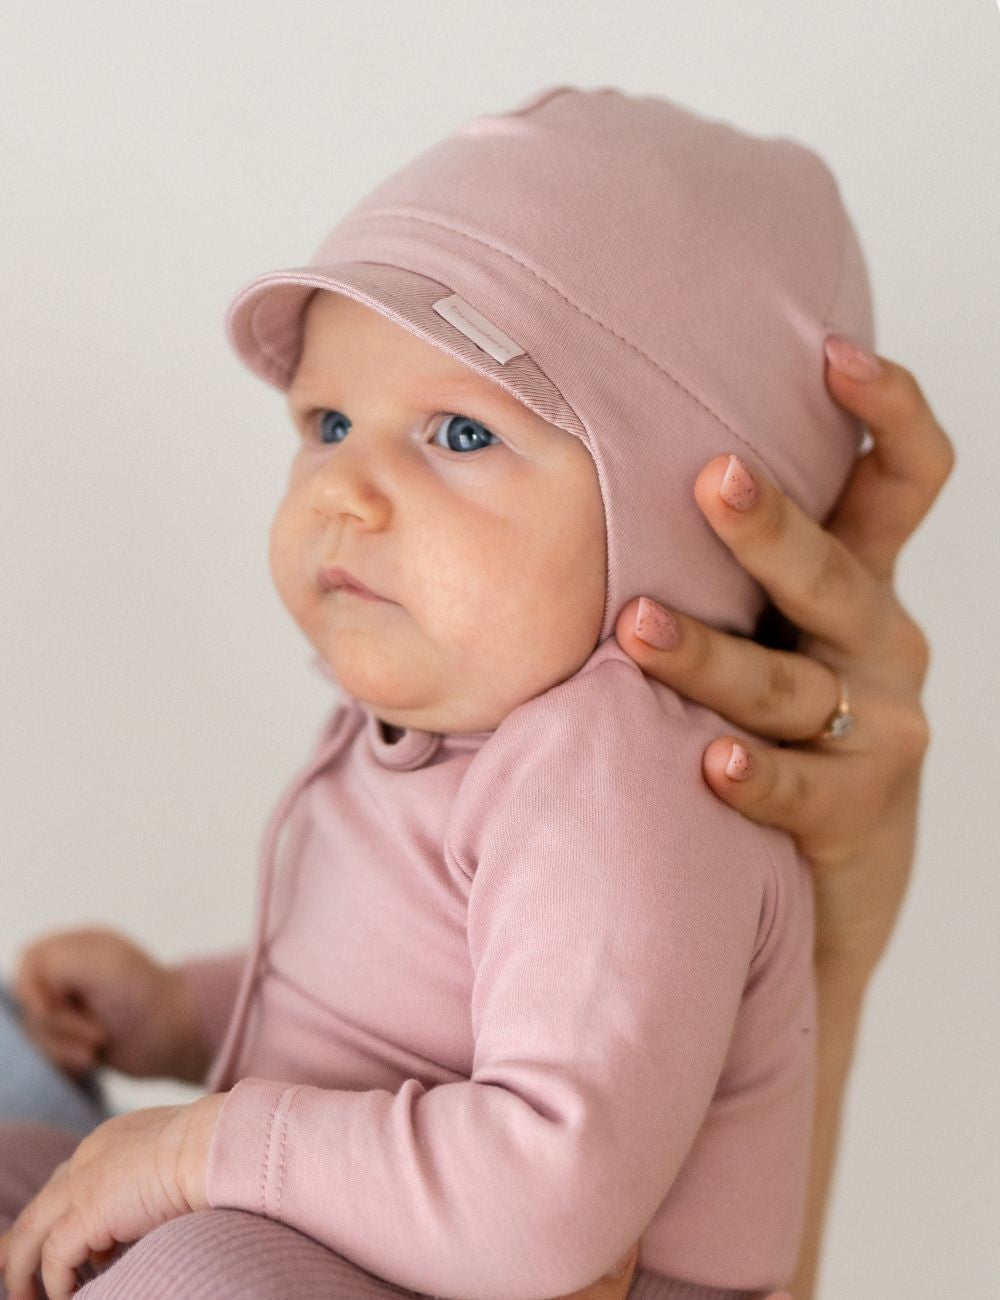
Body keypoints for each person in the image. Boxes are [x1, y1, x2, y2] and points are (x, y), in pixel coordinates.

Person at [0, 87, 952, 1300]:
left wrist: (200, 1147)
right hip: (368, 1239)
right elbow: (381, 1012)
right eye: (328, 422)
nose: (343, 490)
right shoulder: (435, 729)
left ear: (693, 520)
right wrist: (181, 1013)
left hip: (506, 1261)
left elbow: (545, 1197)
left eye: (457, 434)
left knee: (195, 1267)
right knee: (30, 1171)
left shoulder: (618, 773)